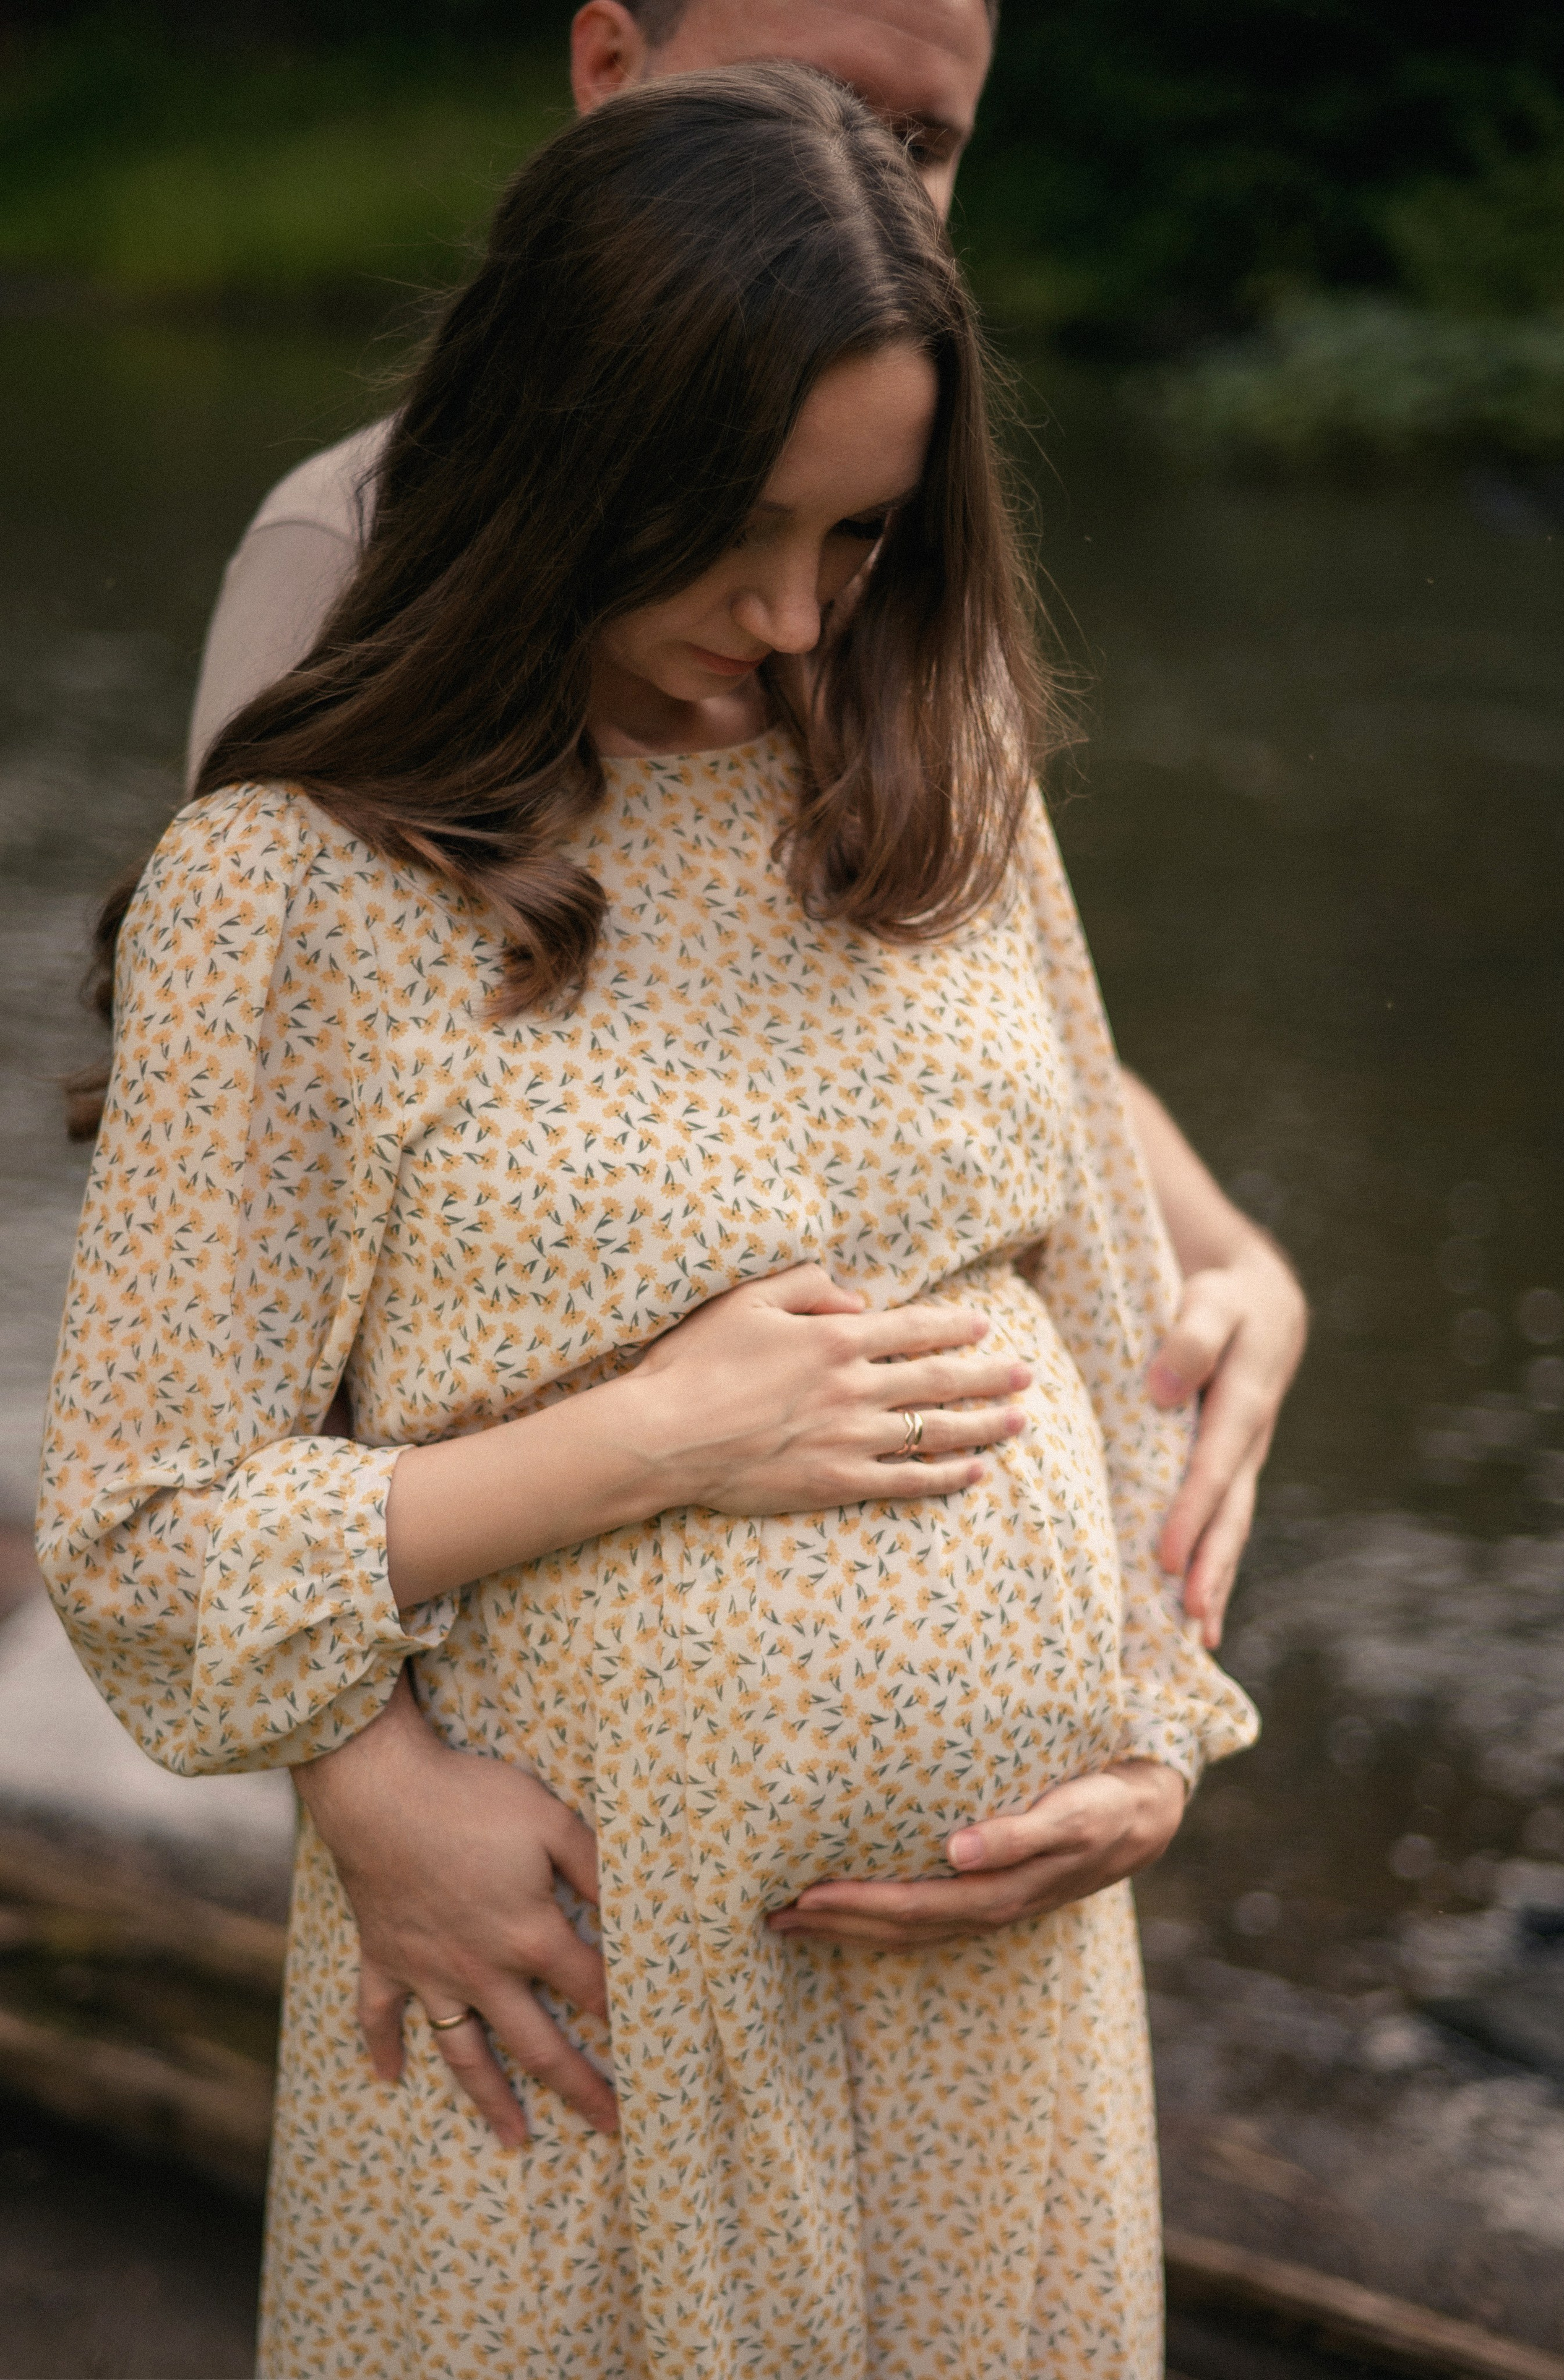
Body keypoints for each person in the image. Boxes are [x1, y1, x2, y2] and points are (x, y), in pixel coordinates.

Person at [41, 66, 1256, 2374]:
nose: (801, 621)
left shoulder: (943, 782)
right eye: (739, 537)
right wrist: (657, 1440)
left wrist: (1149, 1745)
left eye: (866, 540)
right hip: (573, 2043)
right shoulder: (291, 892)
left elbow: (1101, 1310)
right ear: (565, 457)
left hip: (1002, 2031)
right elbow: (143, 1537)